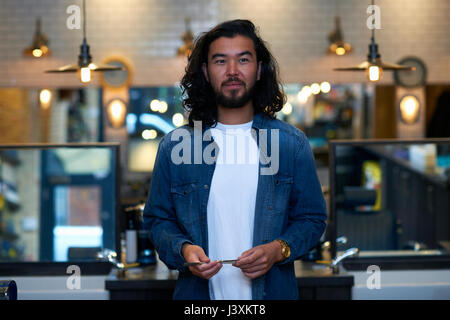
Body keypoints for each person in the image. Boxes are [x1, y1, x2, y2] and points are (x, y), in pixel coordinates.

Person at [143, 19, 327, 300]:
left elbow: (312, 219)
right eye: (220, 61)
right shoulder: (176, 146)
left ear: (258, 69)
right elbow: (158, 220)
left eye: (243, 60)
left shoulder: (291, 144)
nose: (232, 71)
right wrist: (183, 250)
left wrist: (278, 249)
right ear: (205, 71)